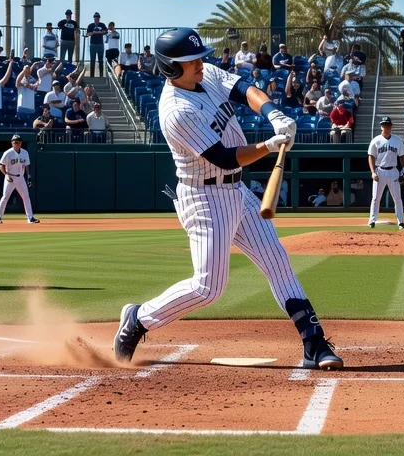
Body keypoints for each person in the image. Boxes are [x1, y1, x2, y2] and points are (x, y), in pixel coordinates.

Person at [112, 28, 342, 373]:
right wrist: (268, 146)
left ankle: (313, 340)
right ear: (172, 68)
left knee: (277, 261)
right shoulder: (176, 111)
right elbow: (223, 157)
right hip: (204, 197)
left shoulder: (204, 76)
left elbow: (242, 88)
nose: (200, 63)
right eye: (191, 61)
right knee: (208, 288)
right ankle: (138, 317)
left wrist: (273, 114)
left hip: (236, 191)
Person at [366, 117, 404, 228]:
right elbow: (371, 156)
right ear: (381, 126)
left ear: (391, 126)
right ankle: (372, 221)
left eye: (388, 125)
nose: (386, 127)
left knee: (397, 198)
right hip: (380, 170)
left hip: (393, 171)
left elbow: (402, 155)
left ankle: (401, 222)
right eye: (384, 125)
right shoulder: (376, 140)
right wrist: (372, 172)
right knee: (375, 198)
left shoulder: (397, 140)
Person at [0, 134, 37, 223]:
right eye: (14, 142)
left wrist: (28, 176)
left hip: (20, 178)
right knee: (5, 197)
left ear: (20, 143)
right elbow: (1, 166)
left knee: (26, 196)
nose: (15, 143)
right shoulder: (8, 153)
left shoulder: (25, 153)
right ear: (12, 143)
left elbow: (26, 165)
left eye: (17, 142)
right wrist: (6, 175)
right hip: (10, 177)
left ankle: (30, 217)